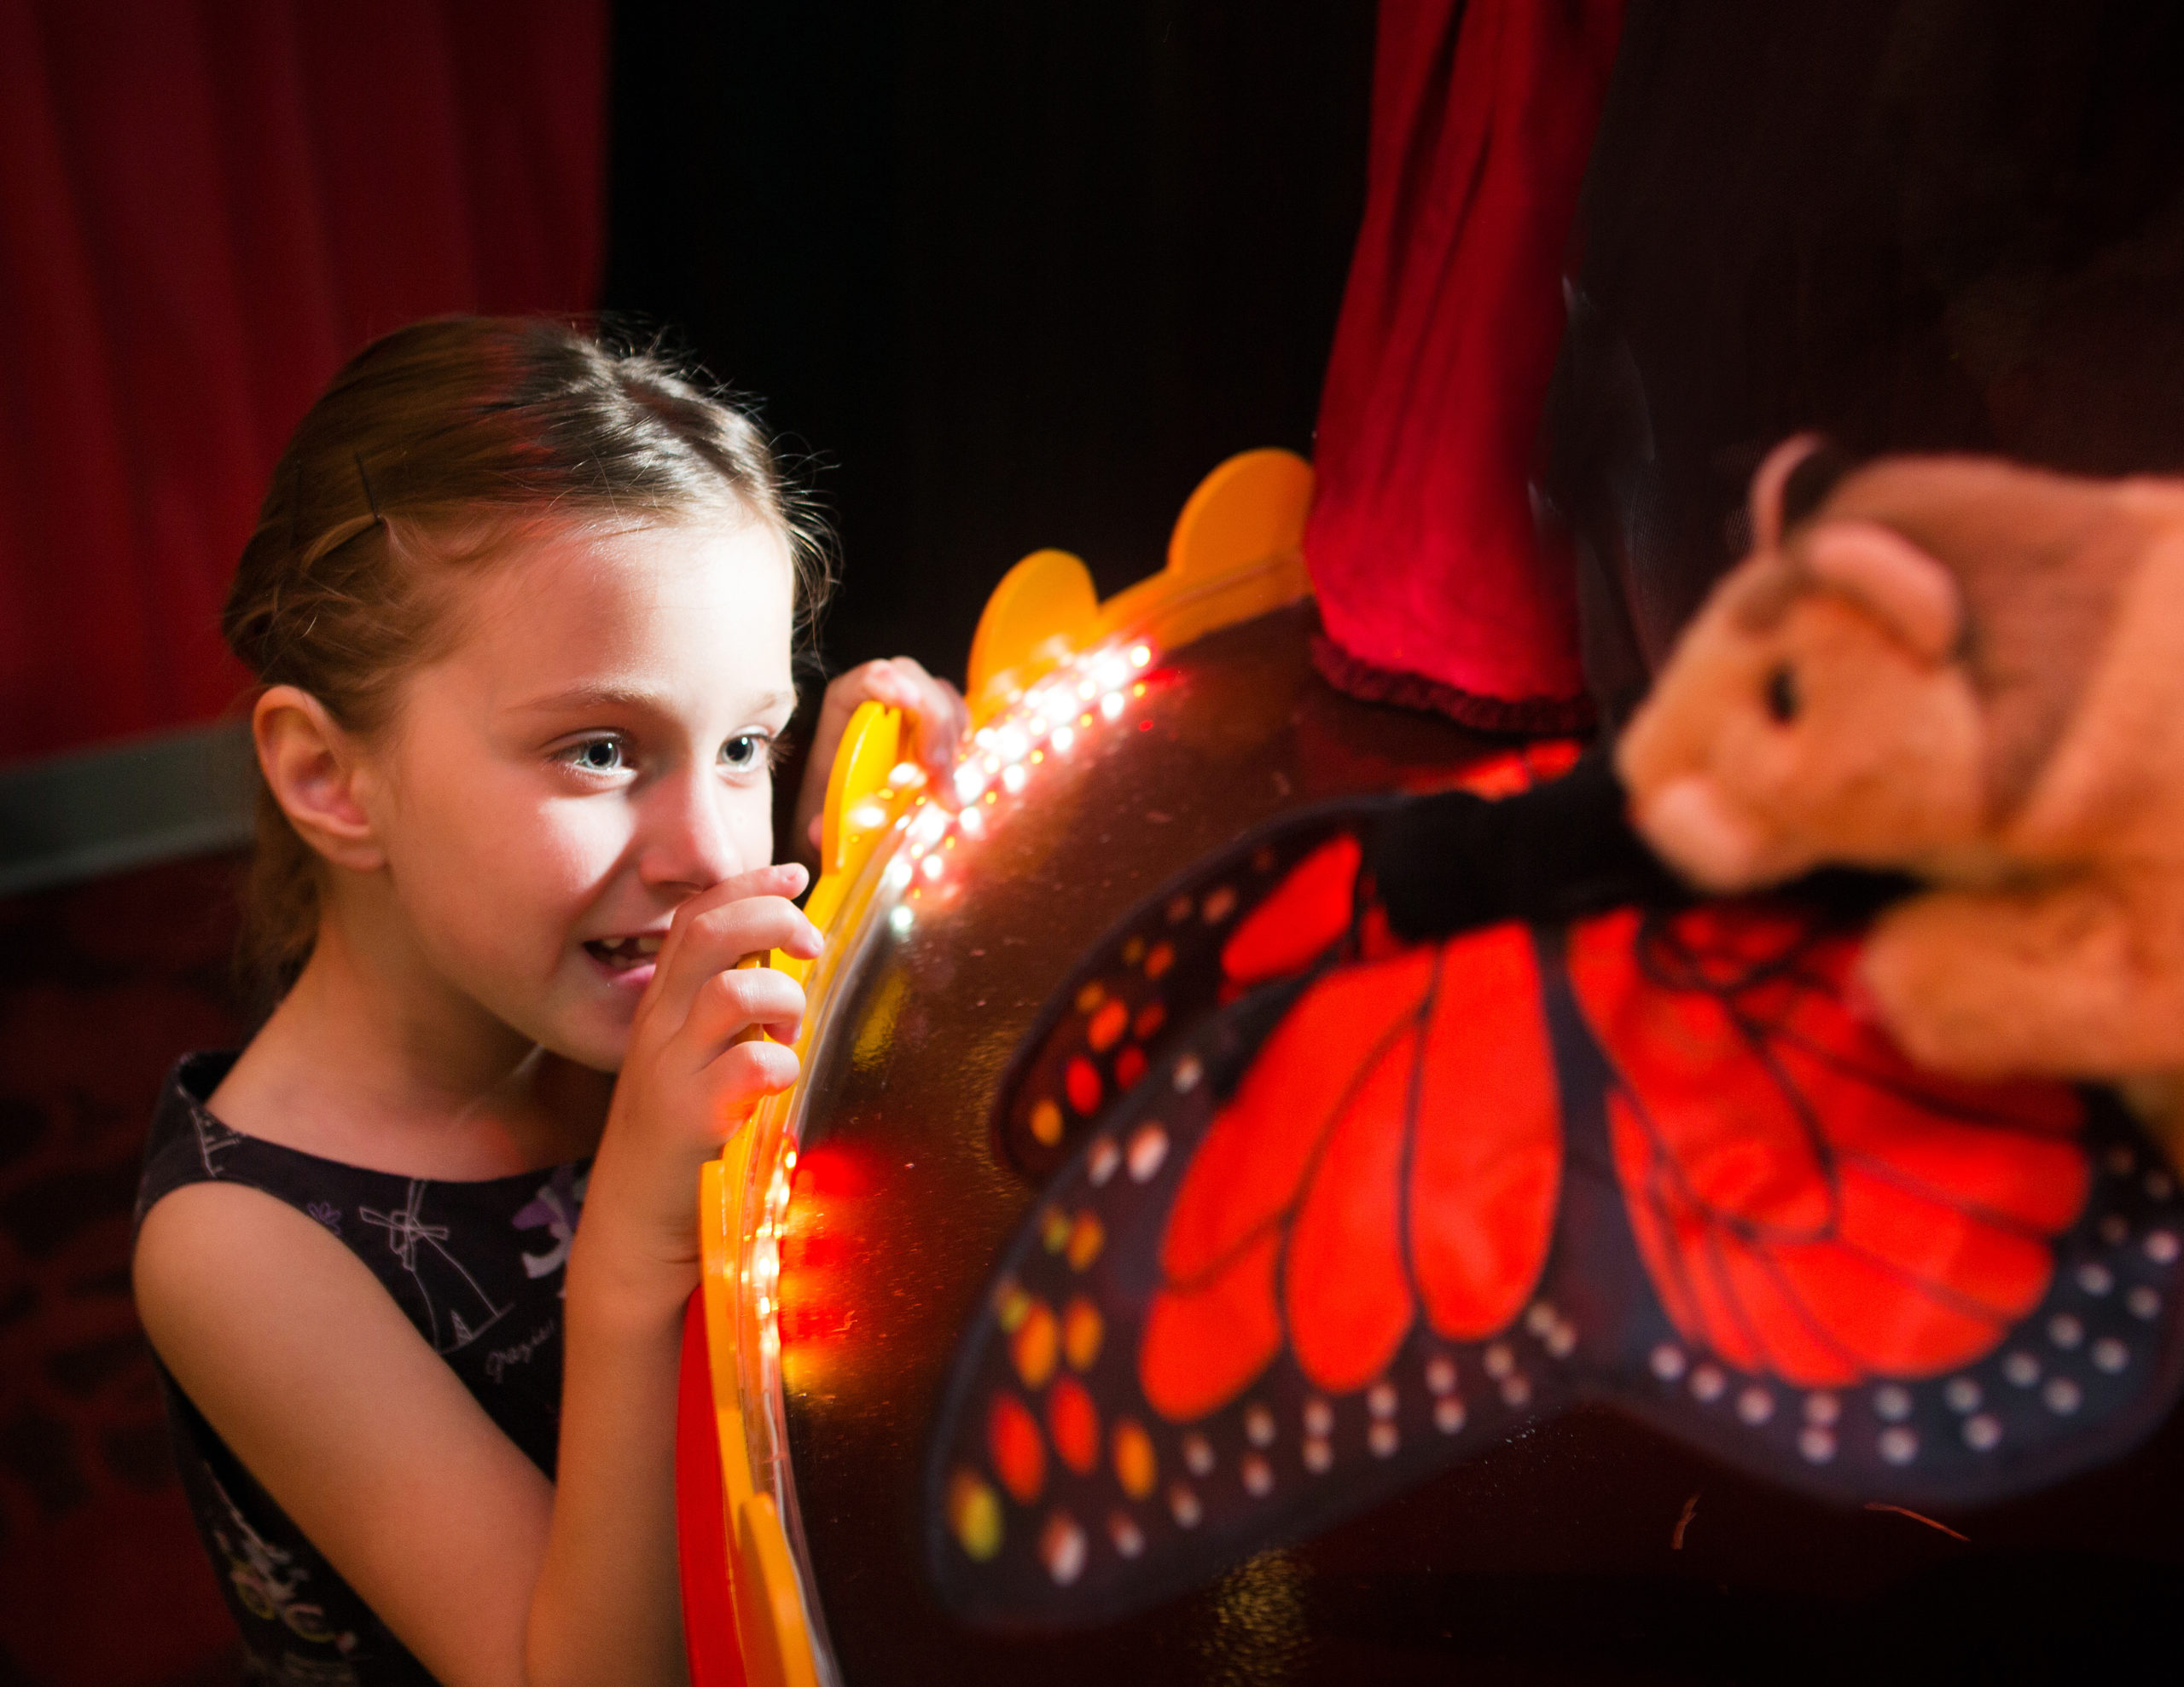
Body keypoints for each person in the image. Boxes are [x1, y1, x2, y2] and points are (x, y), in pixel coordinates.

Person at [130, 316, 967, 1686]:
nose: (712, 850)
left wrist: (865, 861)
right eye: (600, 748)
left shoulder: (607, 979)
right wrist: (632, 1248)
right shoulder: (240, 1245)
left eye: (745, 740)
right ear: (335, 779)